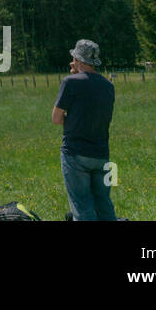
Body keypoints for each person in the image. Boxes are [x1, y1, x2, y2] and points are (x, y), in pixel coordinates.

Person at [52, 38, 116, 220]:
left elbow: (56, 119)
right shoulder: (108, 86)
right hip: (102, 154)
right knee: (104, 204)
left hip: (75, 153)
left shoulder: (69, 82)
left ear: (78, 60)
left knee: (82, 205)